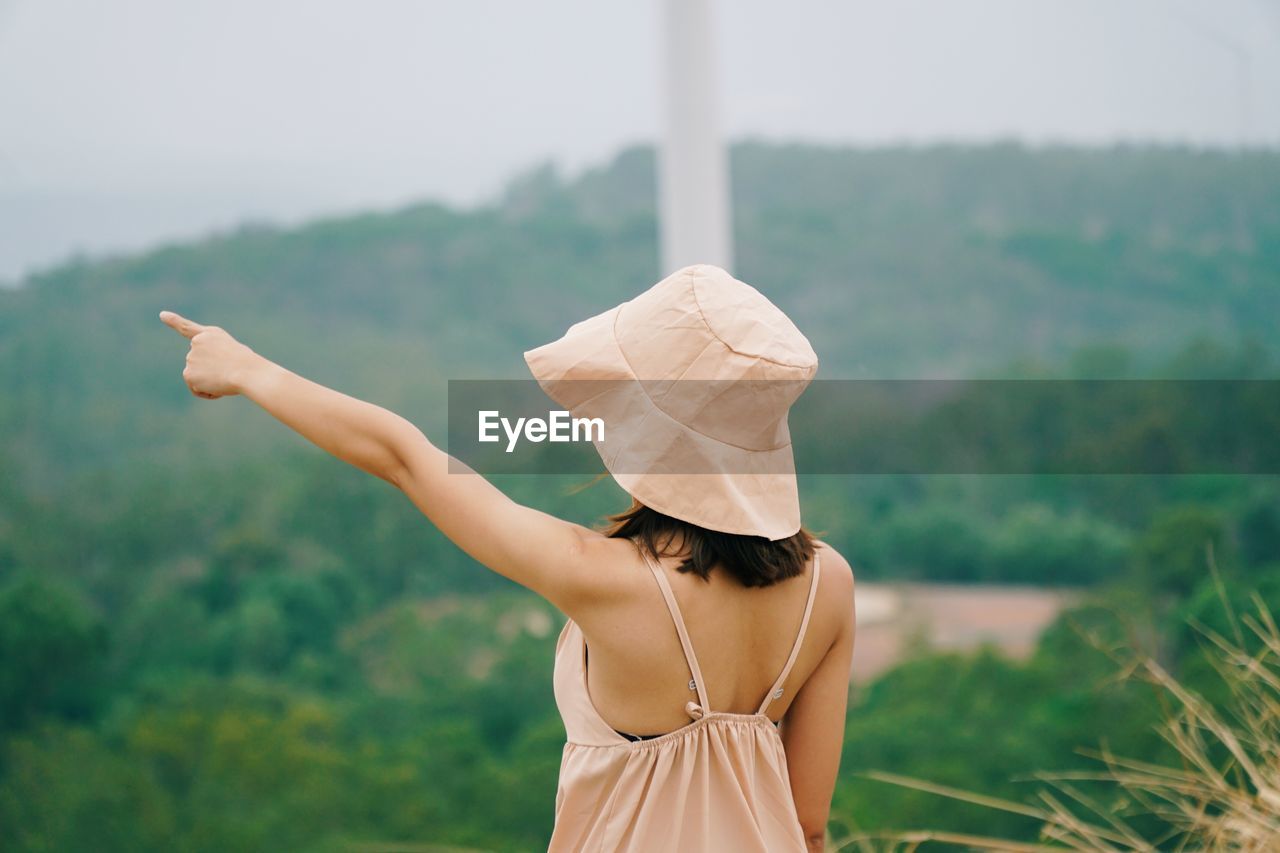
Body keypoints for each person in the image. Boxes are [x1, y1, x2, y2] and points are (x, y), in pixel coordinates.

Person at [159, 262, 856, 852]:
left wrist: (246, 369)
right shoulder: (830, 583)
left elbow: (405, 458)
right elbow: (807, 822)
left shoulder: (600, 578)